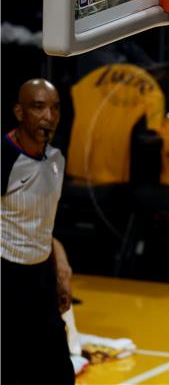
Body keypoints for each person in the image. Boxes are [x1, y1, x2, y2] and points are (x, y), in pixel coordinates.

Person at [1, 78, 75, 385]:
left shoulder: (56, 159)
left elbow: (44, 224)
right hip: (7, 277)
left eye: (55, 108)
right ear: (19, 112)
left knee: (60, 373)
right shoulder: (5, 157)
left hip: (41, 276)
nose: (49, 116)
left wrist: (61, 267)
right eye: (38, 107)